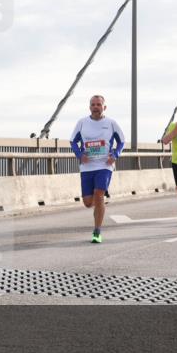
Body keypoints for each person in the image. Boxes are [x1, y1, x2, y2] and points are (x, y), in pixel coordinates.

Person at [71, 95, 125, 244]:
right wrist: (80, 155)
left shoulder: (111, 123)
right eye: (93, 105)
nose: (96, 107)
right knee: (88, 202)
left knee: (99, 194)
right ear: (89, 107)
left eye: (98, 105)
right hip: (87, 166)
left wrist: (115, 155)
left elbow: (121, 141)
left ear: (104, 107)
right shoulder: (82, 123)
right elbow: (73, 141)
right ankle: (99, 203)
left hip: (104, 165)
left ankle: (97, 231)